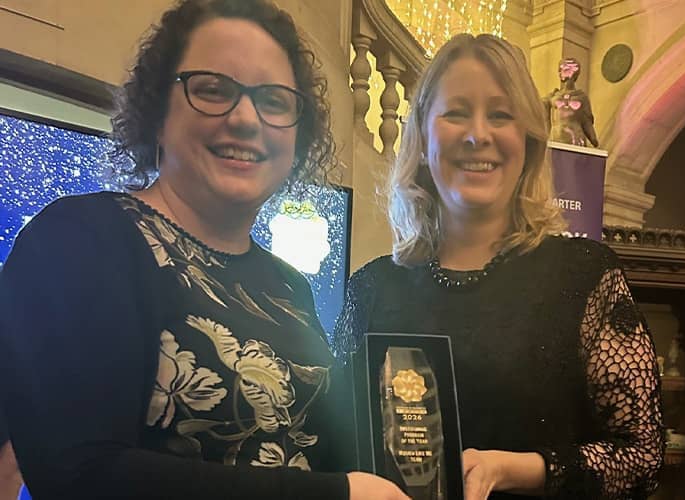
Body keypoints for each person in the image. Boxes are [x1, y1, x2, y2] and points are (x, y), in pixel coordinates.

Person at [0, 1, 408, 499]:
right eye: (213, 89)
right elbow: (80, 473)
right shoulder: (78, 239)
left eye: (274, 100)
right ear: (157, 112)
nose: (245, 118)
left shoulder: (288, 285)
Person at [333, 34, 664, 499]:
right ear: (422, 137)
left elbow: (642, 458)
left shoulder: (585, 276)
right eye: (456, 112)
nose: (478, 134)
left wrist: (516, 469)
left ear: (527, 142)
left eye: (501, 114)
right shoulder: (371, 287)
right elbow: (335, 444)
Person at [543, 58, 599, 147]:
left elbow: (586, 122)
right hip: (556, 140)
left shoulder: (582, 97)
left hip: (576, 140)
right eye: (560, 70)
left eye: (564, 69)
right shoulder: (552, 96)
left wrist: (593, 139)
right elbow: (546, 120)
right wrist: (544, 139)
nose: (560, 72)